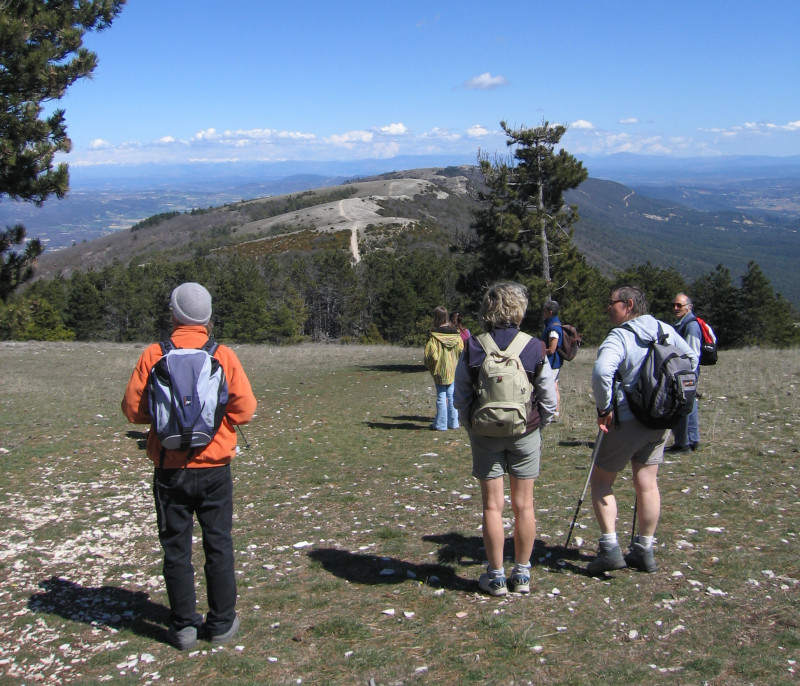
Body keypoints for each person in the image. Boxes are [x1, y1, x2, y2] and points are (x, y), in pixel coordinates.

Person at [121, 282, 257, 650]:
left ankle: (183, 627)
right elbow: (244, 410)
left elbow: (133, 411)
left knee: (176, 549)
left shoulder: (154, 354)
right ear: (208, 318)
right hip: (215, 469)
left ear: (173, 314)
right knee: (219, 544)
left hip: (170, 469)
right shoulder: (222, 354)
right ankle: (222, 622)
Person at [454, 283, 557, 595]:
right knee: (524, 506)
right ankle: (522, 575)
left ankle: (496, 576)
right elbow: (548, 397)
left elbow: (461, 395)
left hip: (484, 433)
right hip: (525, 431)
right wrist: (542, 423)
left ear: (488, 309)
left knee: (492, 507)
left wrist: (468, 424)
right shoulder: (535, 347)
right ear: (519, 310)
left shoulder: (473, 346)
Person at [588, 285, 697, 574]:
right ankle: (644, 549)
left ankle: (610, 548)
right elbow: (691, 360)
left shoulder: (621, 336)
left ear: (628, 304)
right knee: (647, 482)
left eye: (611, 302)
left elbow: (601, 372)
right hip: (659, 419)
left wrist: (605, 408)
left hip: (627, 418)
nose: (608, 308)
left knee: (601, 480)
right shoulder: (664, 329)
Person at [669, 292, 702, 452]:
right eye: (674, 305)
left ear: (689, 307)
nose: (675, 308)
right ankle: (692, 440)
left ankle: (683, 443)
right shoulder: (685, 323)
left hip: (686, 372)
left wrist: (685, 373)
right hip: (686, 373)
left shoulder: (691, 326)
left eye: (679, 305)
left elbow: (693, 353)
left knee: (682, 406)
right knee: (690, 404)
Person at [424, 307, 464, 430]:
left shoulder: (434, 337)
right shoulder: (456, 335)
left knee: (441, 396)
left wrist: (431, 366)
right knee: (452, 395)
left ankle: (441, 424)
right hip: (453, 369)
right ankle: (453, 422)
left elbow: (432, 356)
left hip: (440, 370)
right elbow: (461, 351)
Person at [541, 300, 563, 417]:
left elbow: (552, 349)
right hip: (554, 361)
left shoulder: (553, 328)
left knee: (552, 387)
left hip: (553, 362)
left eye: (544, 311)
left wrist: (539, 350)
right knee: (554, 386)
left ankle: (553, 412)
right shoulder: (554, 324)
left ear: (550, 312)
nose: (543, 313)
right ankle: (555, 412)